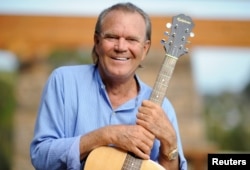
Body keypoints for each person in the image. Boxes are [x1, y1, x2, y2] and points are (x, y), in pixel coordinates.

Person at [30, 2, 187, 170]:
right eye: (112, 37)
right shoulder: (63, 82)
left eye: (131, 39)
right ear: (97, 42)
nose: (121, 47)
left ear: (145, 49)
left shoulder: (161, 107)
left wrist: (170, 145)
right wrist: (107, 135)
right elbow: (40, 156)